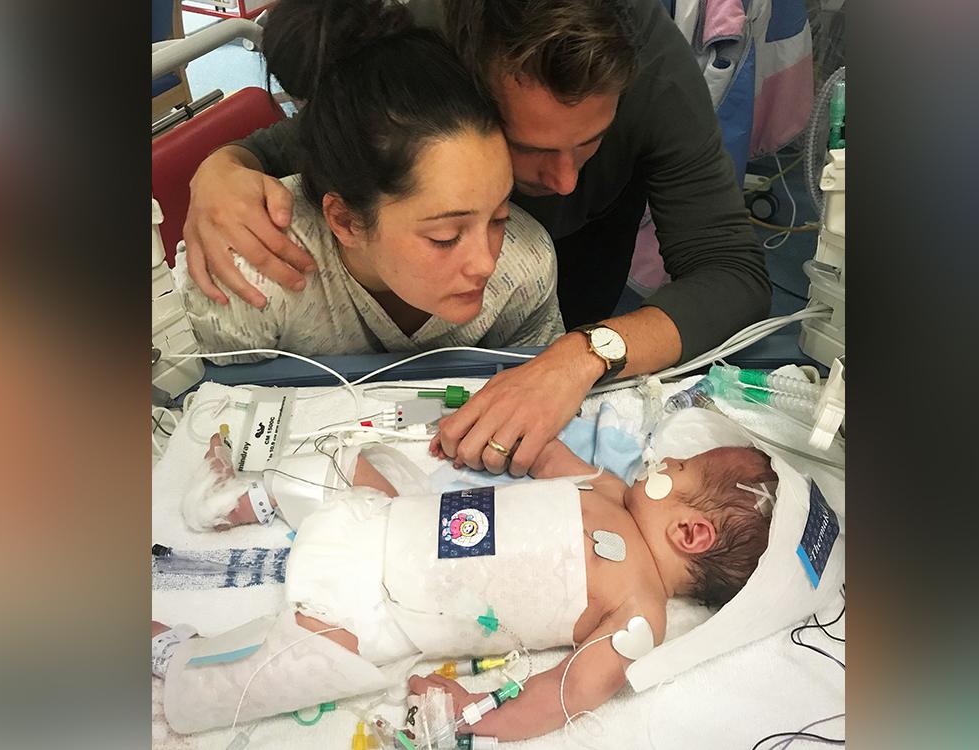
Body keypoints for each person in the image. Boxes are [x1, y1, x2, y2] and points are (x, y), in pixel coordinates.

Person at [180, 0, 771, 476]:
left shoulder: (528, 260)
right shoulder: (428, 51)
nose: (566, 182)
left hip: (564, 304)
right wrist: (223, 166)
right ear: (468, 94)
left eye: (591, 141)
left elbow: (732, 272)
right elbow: (330, 140)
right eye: (531, 148)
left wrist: (578, 355)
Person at [152, 433, 776, 740]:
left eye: (680, 468)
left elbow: (565, 693)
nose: (661, 462)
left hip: (382, 609)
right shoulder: (610, 490)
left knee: (294, 667)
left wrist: (468, 712)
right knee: (342, 461)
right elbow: (549, 456)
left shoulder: (639, 612)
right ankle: (231, 500)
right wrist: (511, 431)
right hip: (391, 518)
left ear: (690, 533)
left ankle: (177, 655)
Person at [174, 0, 564, 363]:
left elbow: (537, 389)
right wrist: (219, 164)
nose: (485, 263)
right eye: (445, 236)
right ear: (346, 221)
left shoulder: (523, 268)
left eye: (499, 217)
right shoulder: (251, 280)